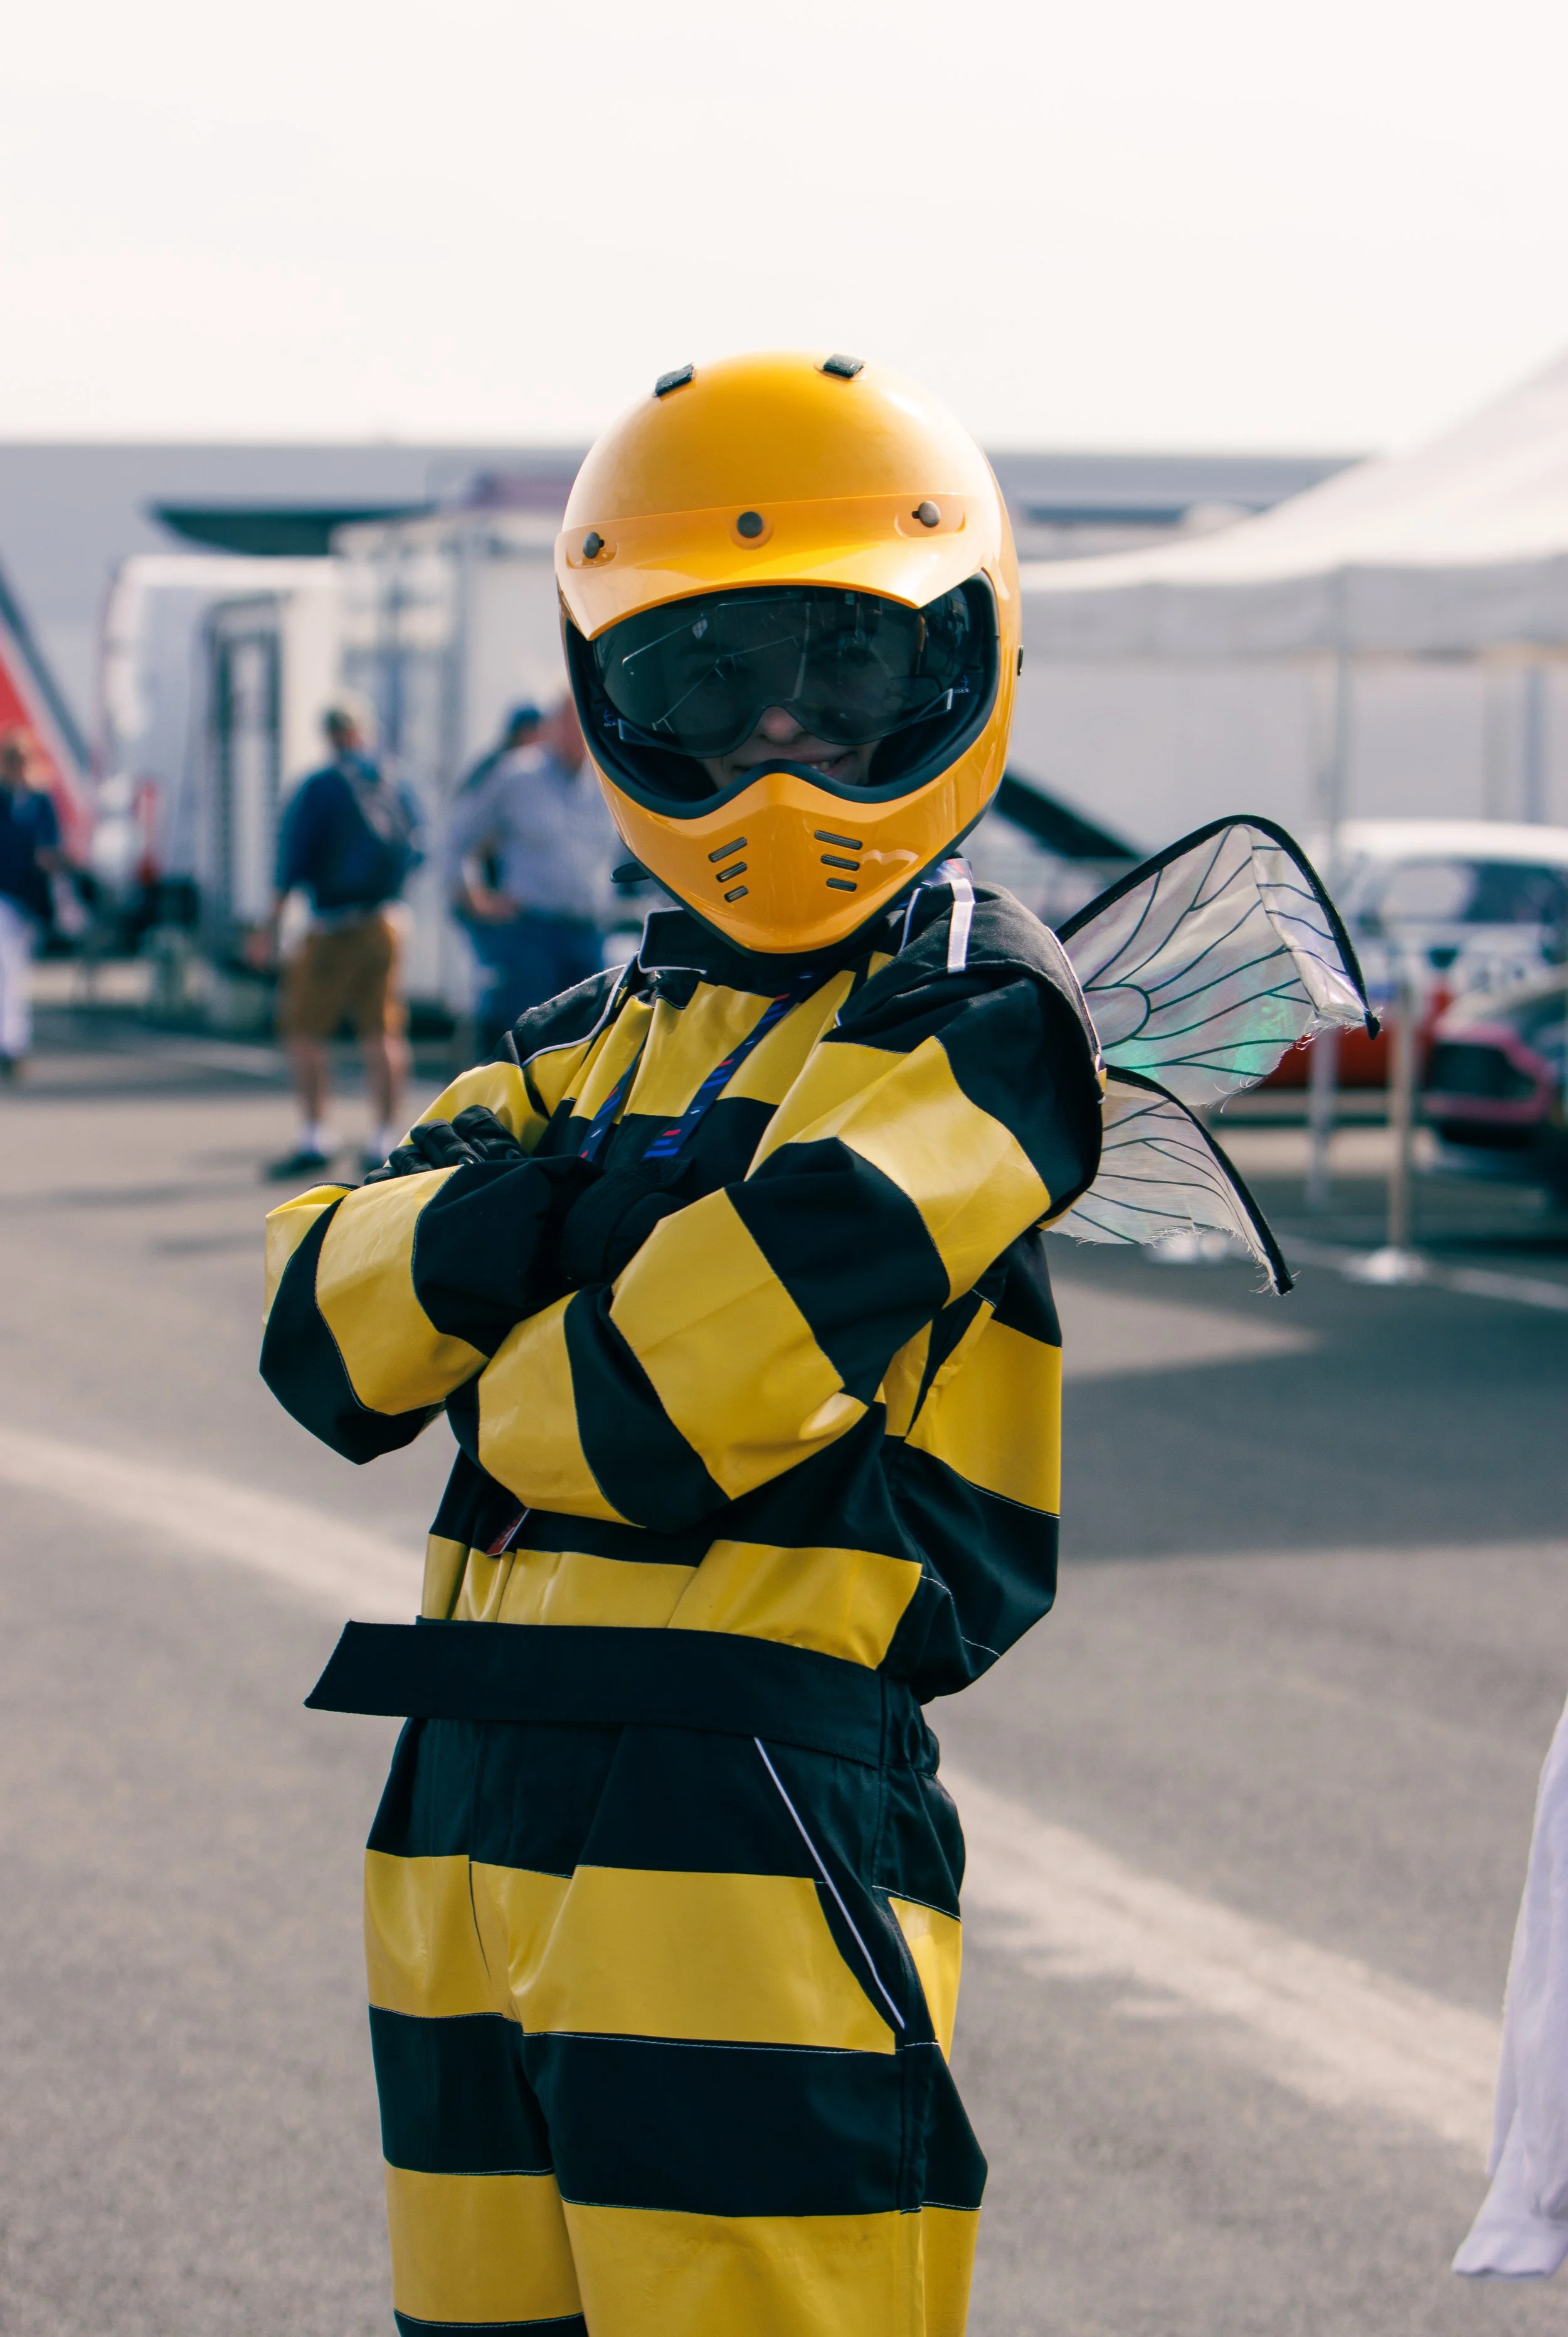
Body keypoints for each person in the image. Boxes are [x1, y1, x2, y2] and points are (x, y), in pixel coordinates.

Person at [262, 354, 1106, 2337]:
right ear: (608, 692)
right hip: (461, 1791)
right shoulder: (584, 1032)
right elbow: (312, 1339)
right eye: (706, 682)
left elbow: (624, 1416)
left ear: (966, 659)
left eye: (842, 668)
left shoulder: (984, 1032)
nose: (776, 744)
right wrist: (581, 1224)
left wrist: (486, 1266)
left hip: (744, 1812)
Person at [254, 693, 421, 1179]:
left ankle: (315, 1134)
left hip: (332, 925)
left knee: (305, 1030)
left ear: (328, 734)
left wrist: (269, 929)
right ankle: (385, 1137)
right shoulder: (394, 782)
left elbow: (291, 862)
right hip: (386, 921)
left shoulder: (319, 787)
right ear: (363, 731)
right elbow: (419, 846)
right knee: (384, 1032)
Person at [444, 692, 618, 1051]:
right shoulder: (517, 775)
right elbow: (458, 840)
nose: (576, 732)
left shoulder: (607, 780)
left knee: (590, 1047)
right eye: (568, 721)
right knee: (527, 1046)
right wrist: (475, 898)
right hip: (532, 934)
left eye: (583, 721)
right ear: (552, 727)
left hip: (589, 934)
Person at [0, 728, 62, 1082]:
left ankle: (13, 1041)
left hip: (30, 899)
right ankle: (12, 1044)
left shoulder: (41, 802)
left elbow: (50, 847)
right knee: (8, 969)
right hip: (4, 894)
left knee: (16, 972)